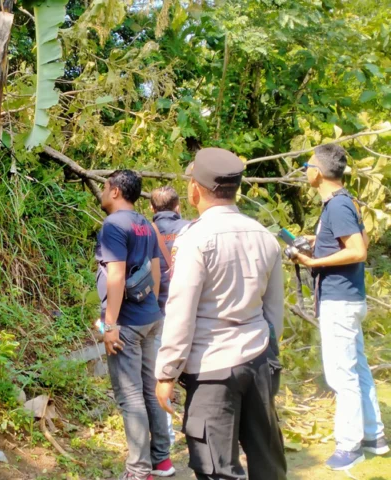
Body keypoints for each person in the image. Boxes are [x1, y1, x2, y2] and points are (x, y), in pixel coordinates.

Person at [155, 148, 287, 480]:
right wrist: (267, 356)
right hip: (258, 360)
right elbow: (274, 313)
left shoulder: (195, 240)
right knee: (267, 462)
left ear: (195, 190)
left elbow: (181, 312)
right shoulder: (265, 237)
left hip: (212, 369)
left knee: (216, 467)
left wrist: (167, 374)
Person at [293, 144, 387, 470]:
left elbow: (358, 250)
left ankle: (350, 447)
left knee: (341, 377)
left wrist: (313, 261)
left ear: (317, 171)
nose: (305, 170)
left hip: (340, 301)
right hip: (349, 299)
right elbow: (354, 241)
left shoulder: (337, 207)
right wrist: (315, 242)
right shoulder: (343, 203)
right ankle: (375, 436)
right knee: (358, 370)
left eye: (307, 165)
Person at [95, 170, 174, 480]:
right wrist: (150, 307)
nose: (102, 193)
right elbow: (156, 271)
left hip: (126, 323)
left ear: (115, 191)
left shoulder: (113, 225)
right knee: (149, 389)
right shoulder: (145, 223)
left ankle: (138, 471)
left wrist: (110, 324)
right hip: (150, 317)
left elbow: (115, 276)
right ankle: (162, 461)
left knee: (130, 397)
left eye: (104, 187)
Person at [149, 186, 190, 446]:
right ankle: (197, 425)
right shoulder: (192, 228)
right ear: (178, 207)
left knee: (160, 375)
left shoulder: (145, 231)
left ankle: (167, 436)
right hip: (190, 313)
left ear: (152, 209)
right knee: (196, 374)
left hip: (159, 311)